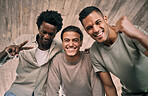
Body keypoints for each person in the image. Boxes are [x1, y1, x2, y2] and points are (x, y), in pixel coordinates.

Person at [79, 6, 148, 96]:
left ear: (105, 19)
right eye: (89, 28)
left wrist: (136, 34)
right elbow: (109, 86)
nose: (95, 29)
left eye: (98, 22)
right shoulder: (95, 53)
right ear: (86, 31)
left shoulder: (130, 32)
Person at [0, 10, 63, 96]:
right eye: (44, 32)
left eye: (51, 34)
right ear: (38, 28)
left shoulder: (59, 48)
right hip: (17, 92)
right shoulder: (23, 40)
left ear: (56, 33)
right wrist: (6, 52)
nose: (46, 36)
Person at [46, 25, 105, 96]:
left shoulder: (90, 59)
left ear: (81, 43)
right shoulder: (57, 60)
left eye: (75, 40)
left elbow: (98, 91)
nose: (70, 44)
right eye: (67, 40)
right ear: (63, 43)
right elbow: (52, 92)